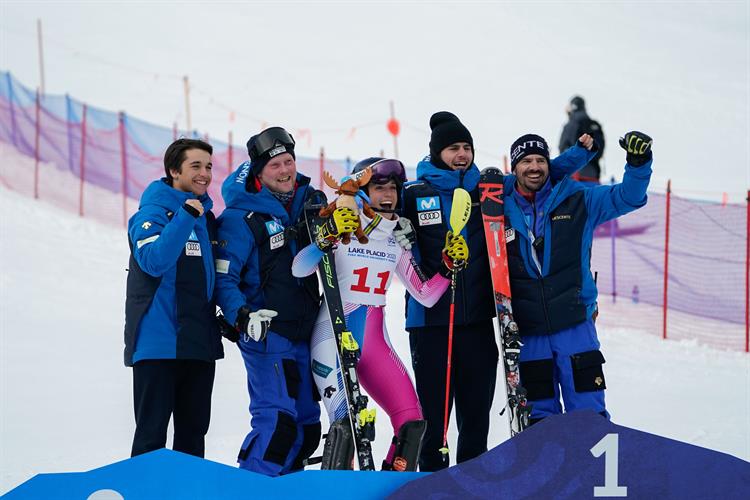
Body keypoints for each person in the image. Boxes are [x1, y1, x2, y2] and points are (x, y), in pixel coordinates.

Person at [402, 112, 596, 471]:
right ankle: (430, 483)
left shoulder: (489, 190)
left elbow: (534, 172)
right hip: (429, 322)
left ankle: (468, 484)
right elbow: (377, 209)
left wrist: (576, 156)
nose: (462, 155)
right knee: (433, 419)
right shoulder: (414, 194)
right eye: (453, 148)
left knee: (476, 418)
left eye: (466, 147)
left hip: (477, 319)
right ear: (435, 153)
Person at [291, 158, 466, 471]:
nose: (388, 194)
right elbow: (299, 268)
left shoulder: (394, 242)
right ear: (362, 192)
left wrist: (447, 267)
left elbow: (425, 295)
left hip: (374, 344)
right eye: (379, 187)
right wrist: (327, 236)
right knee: (346, 427)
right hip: (332, 340)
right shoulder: (343, 225)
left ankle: (387, 485)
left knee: (412, 424)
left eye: (393, 188)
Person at [214, 127, 346, 477]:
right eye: (275, 166)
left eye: (289, 161)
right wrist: (242, 316)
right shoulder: (240, 219)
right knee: (278, 423)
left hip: (304, 332)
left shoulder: (309, 204)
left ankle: (286, 487)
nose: (286, 170)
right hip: (266, 333)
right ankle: (253, 489)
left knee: (306, 426)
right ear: (259, 173)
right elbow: (224, 279)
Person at [506, 130, 653, 424]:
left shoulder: (579, 200)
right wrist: (577, 154)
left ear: (549, 163)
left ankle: (594, 471)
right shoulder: (498, 207)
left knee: (588, 413)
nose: (534, 166)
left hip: (575, 323)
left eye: (540, 160)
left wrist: (638, 164)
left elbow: (628, 197)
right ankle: (548, 471)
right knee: (539, 419)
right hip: (528, 329)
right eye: (526, 161)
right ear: (514, 168)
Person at [124, 138, 223, 458]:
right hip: (158, 346)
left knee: (193, 440)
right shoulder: (151, 214)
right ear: (173, 170)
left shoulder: (206, 218)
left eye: (208, 166)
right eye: (195, 166)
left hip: (198, 346)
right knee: (151, 438)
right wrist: (184, 217)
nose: (204, 174)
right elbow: (154, 261)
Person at [559, 95, 606, 184]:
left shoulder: (570, 125)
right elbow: (600, 150)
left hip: (575, 176)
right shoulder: (594, 124)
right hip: (594, 175)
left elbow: (562, 148)